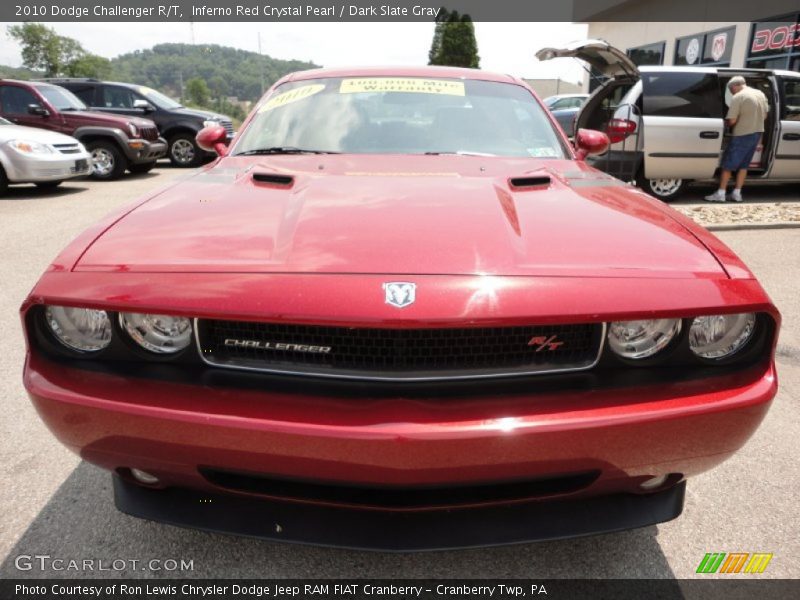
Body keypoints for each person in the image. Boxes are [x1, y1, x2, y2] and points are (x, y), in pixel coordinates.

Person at [705, 76, 769, 203]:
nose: (731, 93)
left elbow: (732, 121)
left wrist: (727, 124)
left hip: (741, 135)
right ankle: (737, 193)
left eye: (731, 90)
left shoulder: (738, 97)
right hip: (756, 134)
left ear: (734, 86)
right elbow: (765, 115)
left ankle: (721, 193)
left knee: (728, 165)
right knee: (744, 166)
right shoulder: (760, 94)